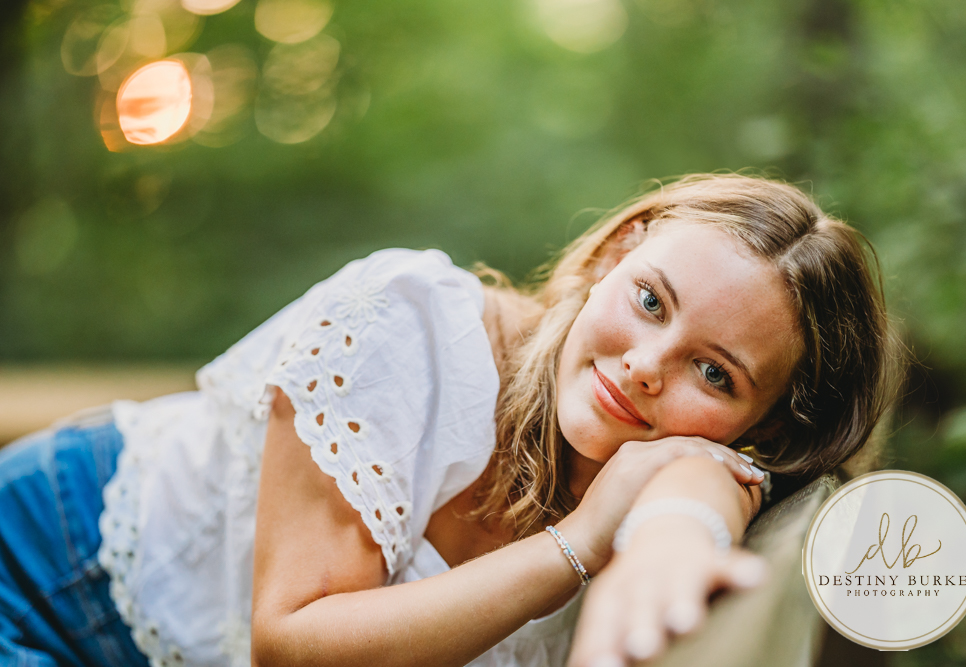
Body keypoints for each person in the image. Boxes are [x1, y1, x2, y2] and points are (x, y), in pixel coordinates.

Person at [0, 174, 899, 667]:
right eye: (651, 300)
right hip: (45, 572)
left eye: (714, 371)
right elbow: (291, 643)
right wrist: (581, 541)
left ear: (764, 428)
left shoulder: (683, 467)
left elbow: (698, 504)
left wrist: (672, 534)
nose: (644, 365)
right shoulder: (410, 322)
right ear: (617, 253)